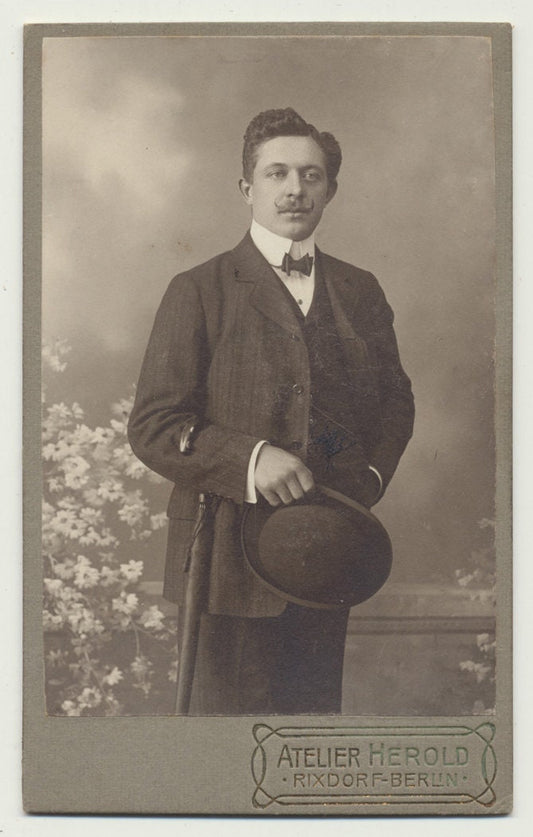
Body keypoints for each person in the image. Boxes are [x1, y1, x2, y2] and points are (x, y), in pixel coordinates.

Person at [128, 107, 414, 715]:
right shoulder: (199, 289)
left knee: (304, 750)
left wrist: (365, 478)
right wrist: (250, 460)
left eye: (311, 176)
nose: (294, 189)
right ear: (247, 188)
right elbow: (156, 426)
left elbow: (393, 401)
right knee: (223, 753)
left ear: (330, 190)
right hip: (224, 562)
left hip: (327, 556)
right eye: (278, 173)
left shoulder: (359, 289)